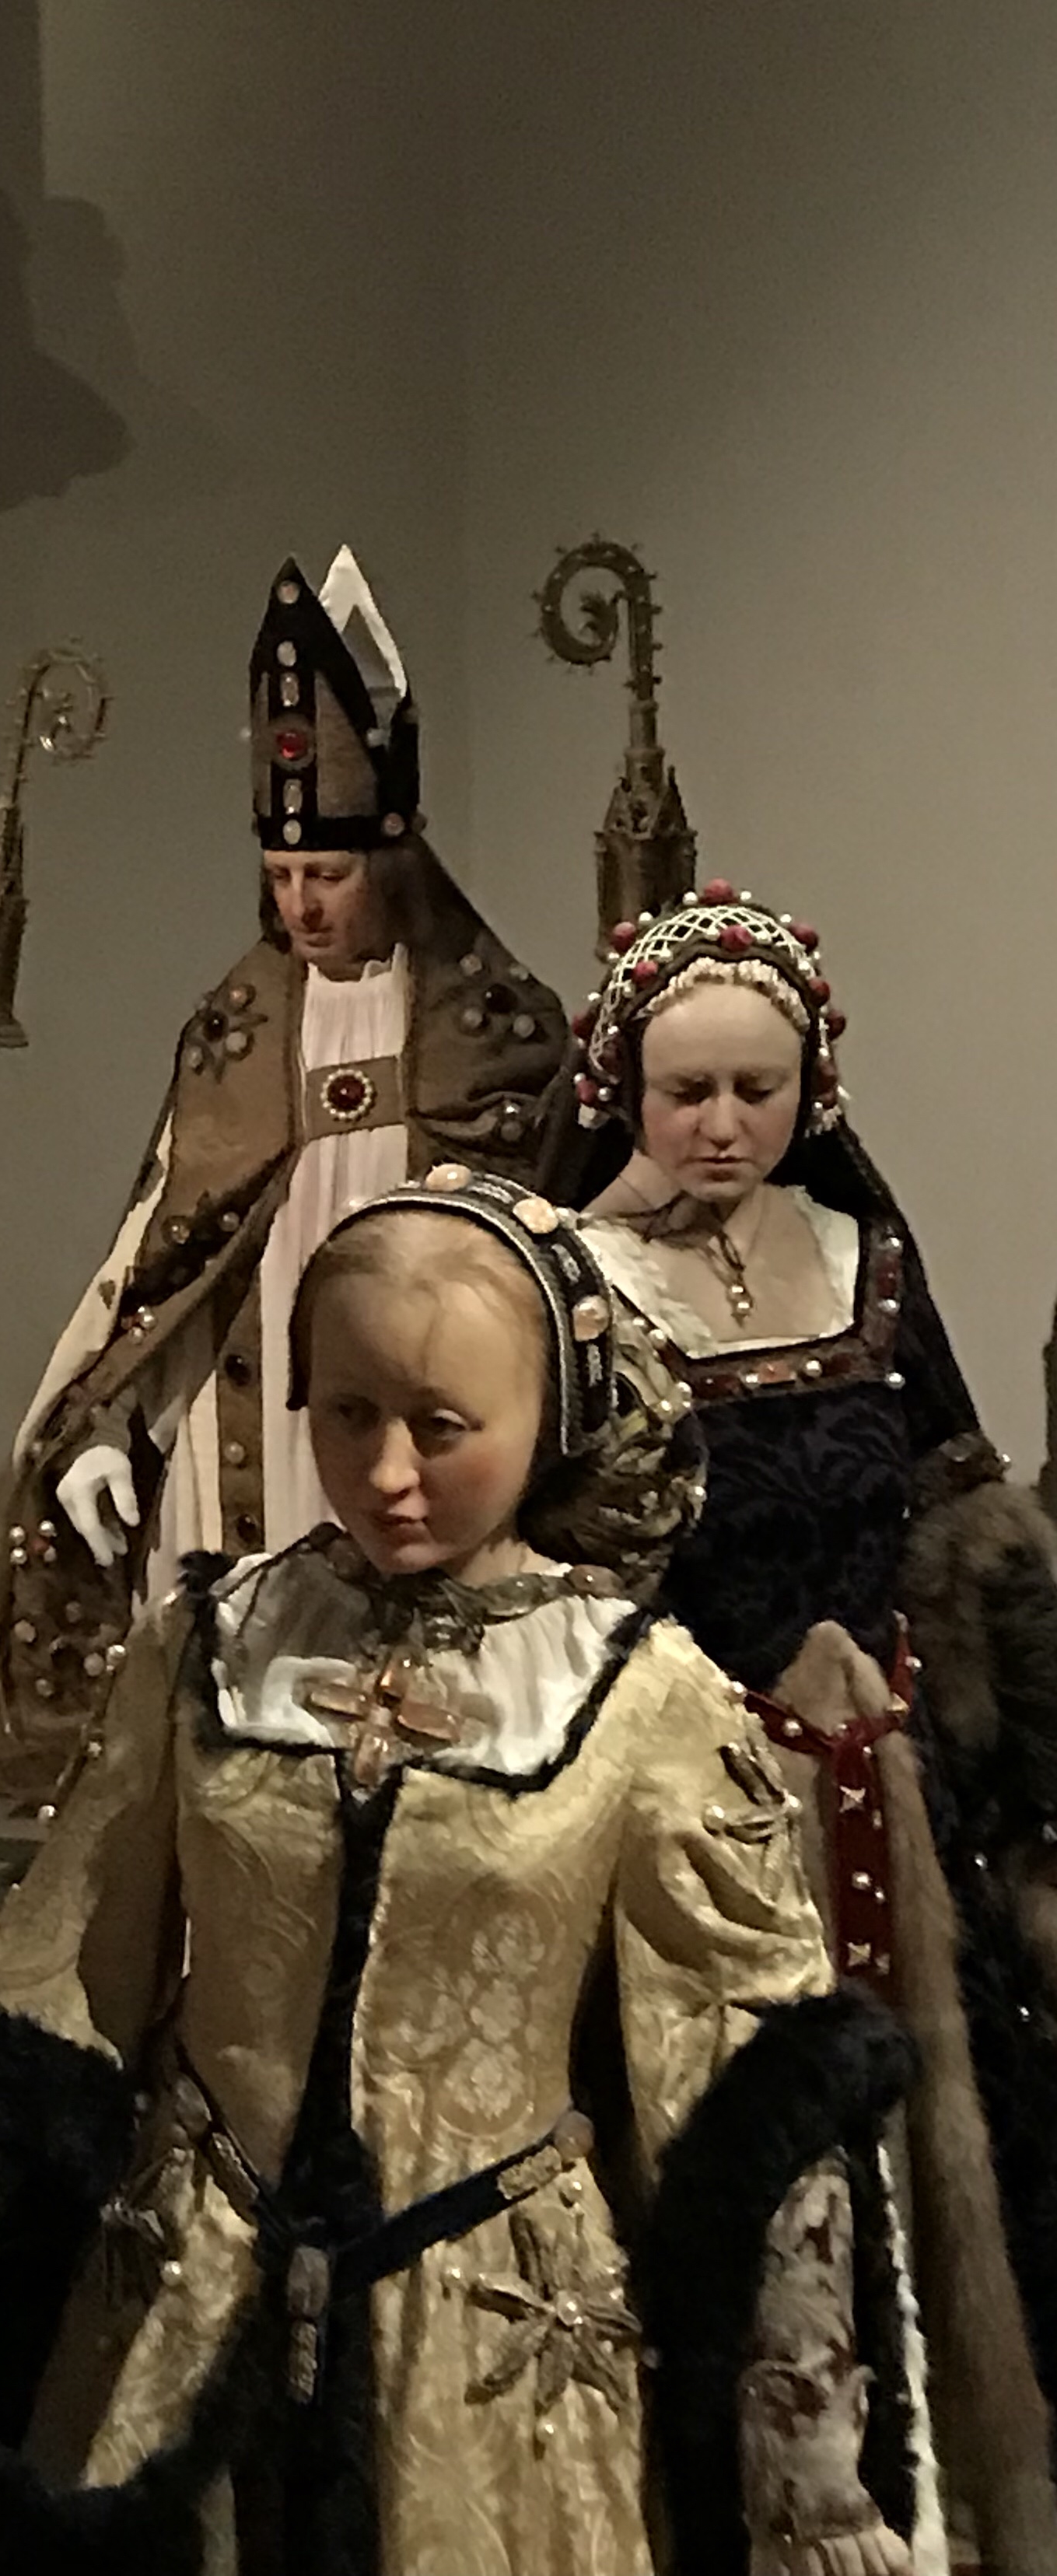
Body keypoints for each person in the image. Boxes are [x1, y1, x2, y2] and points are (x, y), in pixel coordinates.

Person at [0, 1170, 918, 2576]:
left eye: (442, 1427)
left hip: (499, 2362)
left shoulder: (642, 1698)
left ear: (551, 1418)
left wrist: (807, 2450)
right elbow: (60, 1971)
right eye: (347, 1414)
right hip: (182, 2301)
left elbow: (747, 2086)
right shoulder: (210, 1644)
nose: (389, 1473)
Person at [550, 884, 1057, 2565]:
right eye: (685, 1090)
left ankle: (949, 2490)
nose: (721, 1123)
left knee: (950, 2132)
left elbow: (963, 1511)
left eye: (755, 1090)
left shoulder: (865, 1262)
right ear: (623, 1088)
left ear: (810, 1089)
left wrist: (1005, 1753)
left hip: (895, 1795)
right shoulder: (577, 1278)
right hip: (688, 1801)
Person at [0, 550, 566, 1797]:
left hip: (421, 1437)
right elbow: (168, 1250)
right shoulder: (237, 1031)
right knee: (250, 1752)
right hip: (246, 1434)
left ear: (393, 858)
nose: (301, 905)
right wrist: (108, 1424)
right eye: (282, 876)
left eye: (328, 875)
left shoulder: (495, 1034)